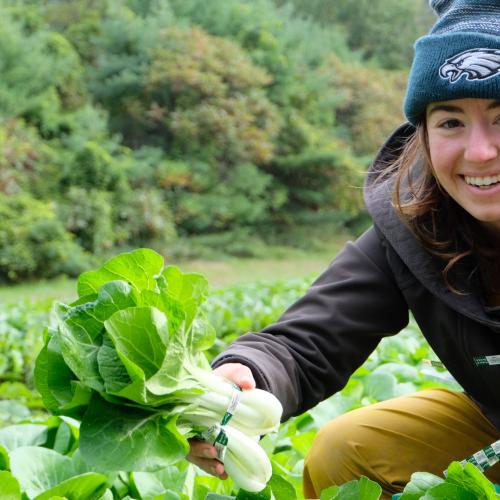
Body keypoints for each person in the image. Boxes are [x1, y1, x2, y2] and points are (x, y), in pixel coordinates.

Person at [188, 0, 500, 497]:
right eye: (451, 122)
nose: (479, 151)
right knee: (347, 450)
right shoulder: (416, 228)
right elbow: (308, 340)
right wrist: (242, 378)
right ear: (423, 132)